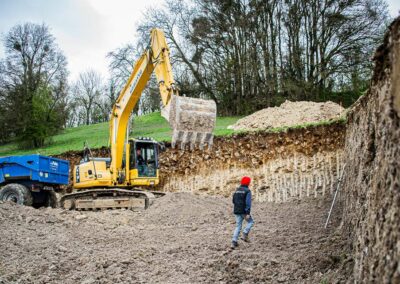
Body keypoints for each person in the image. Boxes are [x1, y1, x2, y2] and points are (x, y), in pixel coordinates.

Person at [231, 176, 254, 249]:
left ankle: (234, 242)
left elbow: (233, 201)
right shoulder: (247, 191)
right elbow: (248, 203)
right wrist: (247, 213)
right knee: (251, 222)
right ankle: (245, 233)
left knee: (238, 226)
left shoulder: (237, 190)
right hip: (244, 211)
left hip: (236, 211)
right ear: (248, 183)